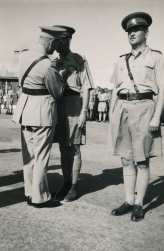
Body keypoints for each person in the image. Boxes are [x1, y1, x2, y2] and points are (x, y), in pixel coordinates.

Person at [109, 12, 164, 221]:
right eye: (129, 31)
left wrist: (156, 117)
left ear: (146, 32)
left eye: (136, 30)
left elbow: (162, 89)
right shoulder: (121, 60)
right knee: (126, 159)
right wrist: (113, 115)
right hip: (123, 108)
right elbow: (115, 89)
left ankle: (139, 204)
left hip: (145, 108)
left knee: (142, 161)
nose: (132, 33)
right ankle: (128, 201)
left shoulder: (156, 57)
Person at [12, 26, 65, 208]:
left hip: (25, 110)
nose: (56, 47)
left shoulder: (24, 55)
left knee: (29, 156)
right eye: (56, 42)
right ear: (50, 41)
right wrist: (61, 76)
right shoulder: (47, 65)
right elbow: (57, 92)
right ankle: (40, 197)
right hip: (42, 112)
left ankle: (29, 192)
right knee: (41, 156)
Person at [52, 25, 94, 202]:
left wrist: (84, 111)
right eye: (57, 40)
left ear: (68, 40)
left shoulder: (79, 60)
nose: (58, 43)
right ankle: (66, 183)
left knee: (74, 148)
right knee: (63, 148)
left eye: (62, 40)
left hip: (75, 105)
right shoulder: (52, 62)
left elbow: (86, 87)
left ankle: (75, 187)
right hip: (58, 104)